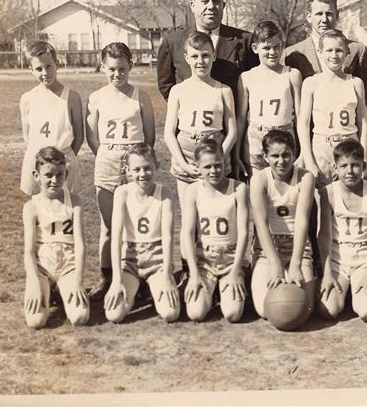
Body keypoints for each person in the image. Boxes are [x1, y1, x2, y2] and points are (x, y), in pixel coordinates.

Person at [86, 42, 155, 298]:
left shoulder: (140, 97)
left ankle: (139, 276)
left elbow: (149, 137)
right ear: (103, 67)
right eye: (112, 69)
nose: (117, 74)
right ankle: (108, 276)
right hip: (107, 161)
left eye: (122, 68)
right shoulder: (96, 98)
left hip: (134, 163)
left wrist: (135, 161)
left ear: (131, 66)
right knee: (108, 226)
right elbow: (93, 136)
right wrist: (106, 154)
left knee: (135, 223)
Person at [163, 31, 237, 260]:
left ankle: (218, 264)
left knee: (215, 212)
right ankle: (190, 269)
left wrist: (219, 159)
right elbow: (168, 132)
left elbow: (232, 130)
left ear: (214, 56)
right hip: (186, 158)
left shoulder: (223, 90)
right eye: (195, 56)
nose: (200, 61)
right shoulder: (178, 90)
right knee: (189, 218)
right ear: (186, 57)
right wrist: (184, 165)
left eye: (205, 55)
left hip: (215, 158)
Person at [104, 144, 180, 323]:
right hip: (130, 260)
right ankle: (136, 288)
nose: (142, 174)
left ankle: (154, 288)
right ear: (128, 171)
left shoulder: (165, 194)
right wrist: (116, 280)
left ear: (157, 166)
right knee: (113, 315)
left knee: (170, 314)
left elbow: (168, 237)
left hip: (156, 260)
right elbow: (115, 239)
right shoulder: (122, 193)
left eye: (147, 168)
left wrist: (168, 274)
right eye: (136, 169)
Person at [249, 130, 316, 320]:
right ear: (265, 156)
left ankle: (307, 273)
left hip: (298, 248)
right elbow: (261, 224)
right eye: (275, 156)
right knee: (266, 309)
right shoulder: (259, 180)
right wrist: (275, 264)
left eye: (286, 154)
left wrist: (295, 264)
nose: (281, 161)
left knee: (303, 308)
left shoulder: (305, 178)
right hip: (268, 249)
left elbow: (302, 221)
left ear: (294, 153)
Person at [157, 0, 258, 102]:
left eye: (216, 1)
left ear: (223, 6)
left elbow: (255, 84)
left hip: (232, 118)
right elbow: (165, 85)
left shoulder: (245, 41)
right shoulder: (172, 42)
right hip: (189, 118)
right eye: (204, 1)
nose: (211, 6)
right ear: (193, 6)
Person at [181, 139, 249, 322]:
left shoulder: (239, 188)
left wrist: (235, 271)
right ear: (198, 167)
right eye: (208, 167)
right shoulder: (193, 190)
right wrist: (193, 274)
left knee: (232, 314)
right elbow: (187, 233)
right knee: (195, 313)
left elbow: (243, 232)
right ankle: (211, 292)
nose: (214, 171)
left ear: (225, 161)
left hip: (230, 260)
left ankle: (234, 284)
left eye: (218, 165)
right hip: (205, 261)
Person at [317, 140, 367, 322]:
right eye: (344, 166)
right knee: (329, 310)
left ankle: (357, 290)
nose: (350, 171)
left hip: (364, 262)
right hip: (339, 262)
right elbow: (324, 235)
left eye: (355, 165)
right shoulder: (327, 192)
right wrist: (327, 273)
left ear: (363, 166)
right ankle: (345, 292)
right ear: (335, 168)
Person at [22, 146, 90, 328]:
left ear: (66, 174)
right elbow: (28, 251)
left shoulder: (74, 202)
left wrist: (78, 280)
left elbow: (81, 245)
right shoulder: (31, 206)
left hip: (67, 265)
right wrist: (34, 280)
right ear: (37, 176)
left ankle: (63, 289)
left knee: (80, 317)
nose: (54, 180)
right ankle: (46, 290)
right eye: (48, 175)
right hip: (42, 267)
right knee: (35, 321)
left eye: (59, 175)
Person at [297, 29, 367, 187]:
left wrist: (363, 157)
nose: (334, 55)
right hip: (323, 148)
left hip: (350, 145)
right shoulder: (311, 83)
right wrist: (309, 161)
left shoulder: (355, 83)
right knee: (322, 197)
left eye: (339, 50)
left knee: (351, 195)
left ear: (347, 52)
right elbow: (303, 124)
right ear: (319, 52)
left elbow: (363, 122)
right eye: (329, 50)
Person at [235, 21, 302, 178]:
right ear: (255, 48)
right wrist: (236, 153)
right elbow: (241, 118)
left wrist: (303, 149)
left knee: (285, 192)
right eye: (266, 48)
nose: (272, 52)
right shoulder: (246, 77)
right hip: (256, 142)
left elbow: (300, 117)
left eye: (276, 47)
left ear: (282, 46)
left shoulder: (292, 75)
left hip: (284, 139)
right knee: (258, 193)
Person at [285, 0, 367, 103]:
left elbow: (364, 95)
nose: (324, 19)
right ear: (309, 16)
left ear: (337, 15)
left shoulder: (357, 50)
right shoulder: (292, 54)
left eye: (329, 13)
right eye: (319, 14)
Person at [19, 41, 84, 195]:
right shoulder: (27, 98)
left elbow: (79, 136)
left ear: (57, 64)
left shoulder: (72, 97)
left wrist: (62, 161)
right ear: (31, 70)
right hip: (37, 163)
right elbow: (27, 136)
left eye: (49, 66)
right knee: (39, 210)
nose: (45, 73)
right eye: (39, 69)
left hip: (63, 164)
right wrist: (40, 162)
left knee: (66, 211)